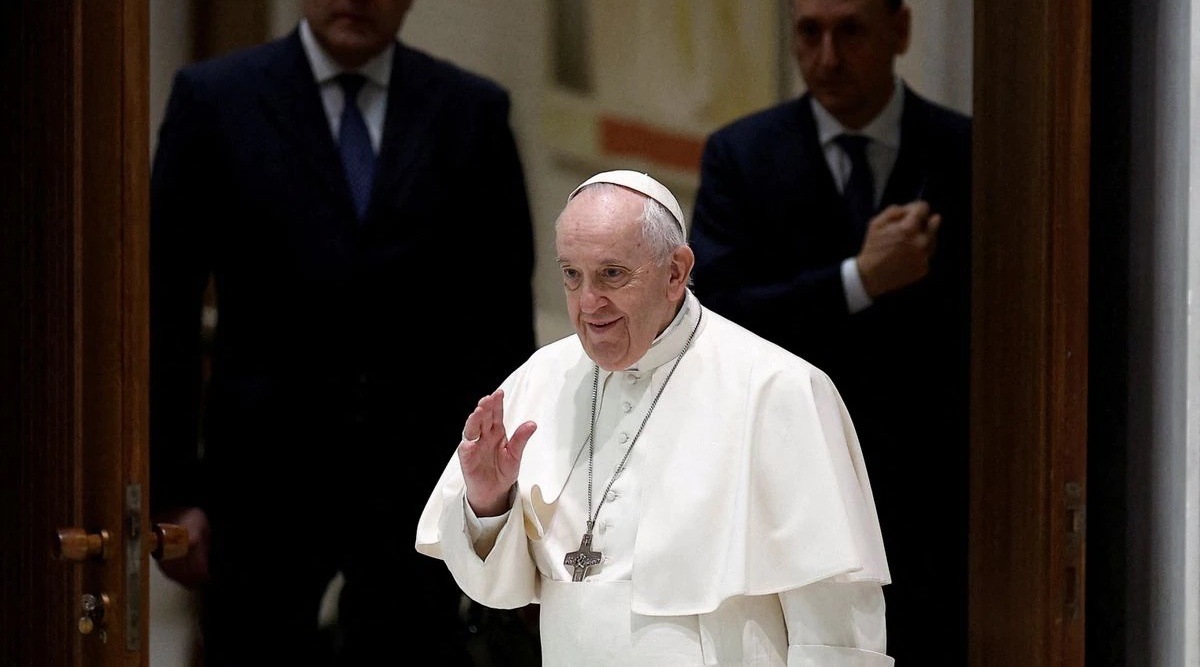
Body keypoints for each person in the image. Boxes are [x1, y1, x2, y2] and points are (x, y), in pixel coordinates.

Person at [149, 1, 539, 664]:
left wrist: (498, 503)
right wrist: (172, 493)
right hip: (258, 487)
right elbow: (166, 310)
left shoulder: (471, 112)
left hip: (417, 491)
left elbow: (500, 326)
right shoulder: (216, 100)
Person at [416, 170, 894, 665]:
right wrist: (489, 502)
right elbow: (499, 593)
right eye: (571, 275)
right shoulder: (543, 376)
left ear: (675, 272)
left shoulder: (777, 388)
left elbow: (836, 619)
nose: (588, 304)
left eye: (612, 274)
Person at [687, 0, 972, 662]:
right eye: (809, 33)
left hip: (934, 488)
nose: (828, 57)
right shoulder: (742, 155)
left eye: (851, 32)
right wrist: (856, 280)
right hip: (790, 481)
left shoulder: (967, 150)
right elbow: (716, 317)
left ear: (900, 30)